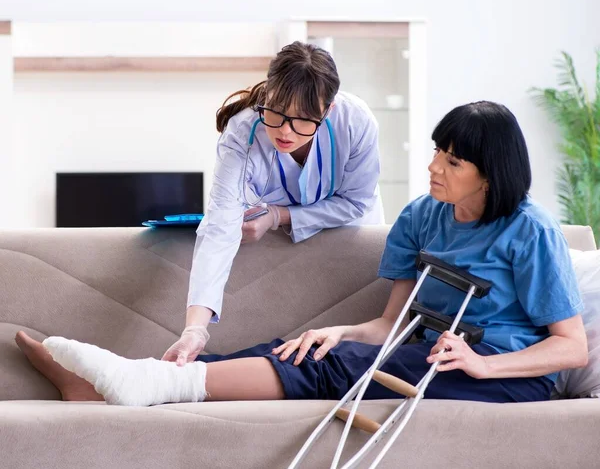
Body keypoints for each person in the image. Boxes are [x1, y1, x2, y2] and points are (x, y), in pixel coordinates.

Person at [15, 101, 588, 408]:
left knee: (331, 370)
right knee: (298, 347)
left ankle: (144, 383)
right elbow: (389, 326)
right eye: (437, 150)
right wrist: (342, 330)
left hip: (500, 375)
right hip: (424, 353)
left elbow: (569, 347)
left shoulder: (529, 231)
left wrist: (485, 363)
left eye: (453, 161)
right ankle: (110, 386)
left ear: (492, 175)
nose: (434, 166)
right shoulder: (421, 216)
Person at [163, 41, 384, 367]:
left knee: (351, 350)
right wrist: (195, 329)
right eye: (276, 113)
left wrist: (280, 215)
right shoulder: (242, 132)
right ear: (267, 95)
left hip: (352, 235)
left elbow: (355, 203)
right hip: (282, 248)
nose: (285, 131)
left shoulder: (356, 121)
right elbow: (220, 226)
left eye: (303, 120)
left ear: (329, 109)